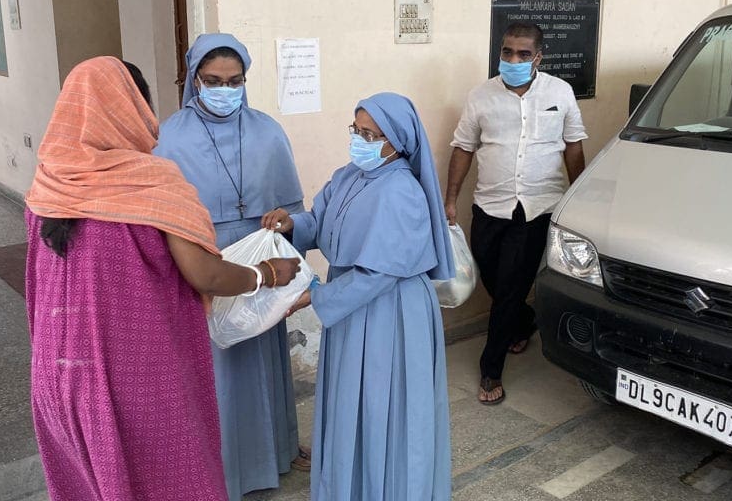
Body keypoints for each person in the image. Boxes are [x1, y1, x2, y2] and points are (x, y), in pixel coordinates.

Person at [25, 56, 300, 501]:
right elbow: (205, 274)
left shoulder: (48, 187)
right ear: (130, 108)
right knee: (170, 482)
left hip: (56, 376)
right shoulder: (149, 184)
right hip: (135, 376)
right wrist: (267, 273)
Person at [262, 92, 454, 501]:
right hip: (352, 304)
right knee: (353, 400)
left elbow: (379, 273)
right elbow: (320, 219)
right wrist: (291, 224)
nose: (360, 141)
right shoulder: (349, 175)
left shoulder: (402, 191)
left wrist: (319, 296)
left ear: (397, 141)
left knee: (387, 404)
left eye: (371, 134)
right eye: (357, 130)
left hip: (392, 310)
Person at [153, 33, 309, 499]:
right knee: (215, 369)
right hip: (203, 265)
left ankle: (275, 452)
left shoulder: (267, 130)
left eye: (234, 81)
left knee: (261, 361)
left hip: (262, 264)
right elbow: (159, 217)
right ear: (194, 81)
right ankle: (218, 471)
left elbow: (293, 210)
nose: (225, 89)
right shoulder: (168, 137)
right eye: (213, 81)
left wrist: (284, 225)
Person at [445, 22, 587, 406]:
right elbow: (462, 148)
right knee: (492, 277)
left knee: (508, 287)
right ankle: (525, 322)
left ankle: (491, 366)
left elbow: (573, 148)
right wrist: (450, 199)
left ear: (538, 57)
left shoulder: (560, 92)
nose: (513, 59)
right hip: (490, 205)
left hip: (538, 206)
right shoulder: (481, 96)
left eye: (523, 54)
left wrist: (579, 198)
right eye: (507, 52)